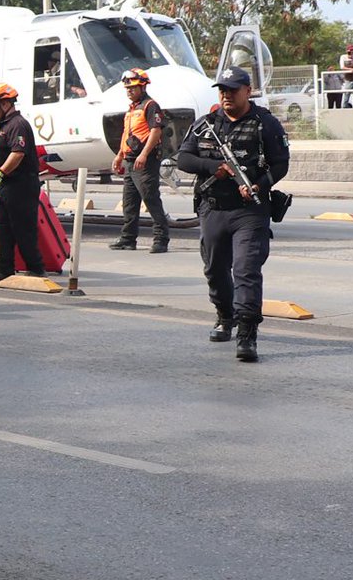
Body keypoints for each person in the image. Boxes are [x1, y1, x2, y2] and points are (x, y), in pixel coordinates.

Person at [177, 66, 290, 362]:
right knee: (214, 269)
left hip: (249, 211)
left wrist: (259, 183)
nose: (226, 95)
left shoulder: (265, 123)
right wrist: (212, 168)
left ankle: (247, 333)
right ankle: (225, 317)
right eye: (222, 90)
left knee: (246, 271)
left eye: (232, 89)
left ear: (247, 90)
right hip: (213, 207)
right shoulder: (206, 124)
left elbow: (281, 163)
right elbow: (183, 158)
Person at [0, 83, 46, 284]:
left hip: (21, 185)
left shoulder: (18, 124)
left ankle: (36, 268)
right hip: (7, 187)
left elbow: (18, 153)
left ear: (6, 103)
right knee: (4, 229)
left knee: (23, 229)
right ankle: (5, 268)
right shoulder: (6, 125)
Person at [109, 68, 170, 254]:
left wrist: (144, 154)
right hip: (129, 160)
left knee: (150, 199)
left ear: (143, 87)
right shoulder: (132, 109)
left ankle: (161, 239)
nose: (129, 90)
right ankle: (128, 239)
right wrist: (120, 155)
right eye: (127, 88)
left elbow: (156, 131)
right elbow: (128, 134)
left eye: (133, 87)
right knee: (129, 202)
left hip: (145, 161)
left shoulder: (150, 106)